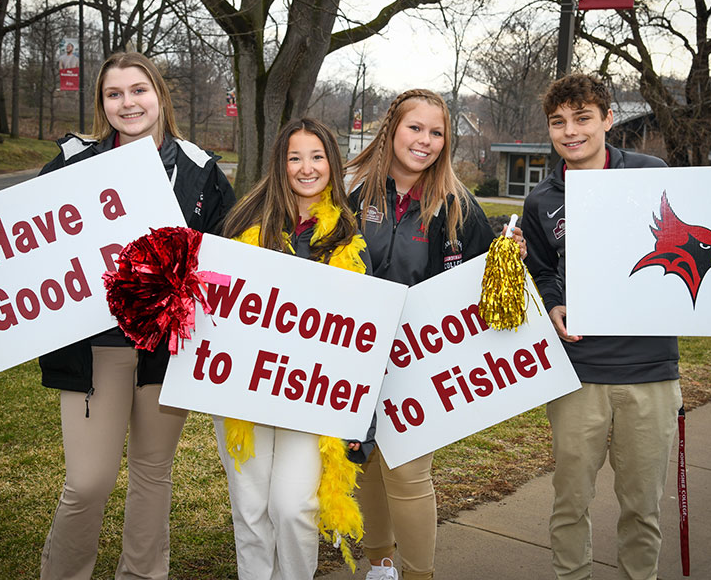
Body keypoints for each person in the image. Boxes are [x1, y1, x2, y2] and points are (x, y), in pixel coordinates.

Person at [0, 51, 236, 580]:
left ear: (160, 95)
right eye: (114, 94)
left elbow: (231, 261)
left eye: (138, 90)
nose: (128, 103)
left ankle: (143, 574)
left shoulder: (202, 173)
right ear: (103, 103)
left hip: (164, 351)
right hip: (92, 349)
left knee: (153, 473)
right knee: (88, 480)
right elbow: (23, 247)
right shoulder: (73, 165)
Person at [520, 73, 681, 580]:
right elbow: (543, 271)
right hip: (578, 373)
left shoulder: (650, 173)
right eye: (559, 122)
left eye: (583, 118)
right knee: (571, 501)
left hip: (650, 370)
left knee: (642, 507)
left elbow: (704, 228)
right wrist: (552, 305)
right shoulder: (541, 200)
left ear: (608, 119)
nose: (571, 131)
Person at [345, 89, 500, 580]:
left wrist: (505, 256)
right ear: (392, 128)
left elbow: (481, 285)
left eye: (437, 133)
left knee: (408, 472)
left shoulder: (459, 206)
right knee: (364, 462)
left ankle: (418, 574)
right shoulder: (350, 191)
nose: (425, 141)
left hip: (420, 360)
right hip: (355, 354)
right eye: (416, 128)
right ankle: (380, 564)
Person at [217, 116, 371, 580]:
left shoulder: (352, 232)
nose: (306, 168)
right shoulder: (247, 220)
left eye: (317, 156)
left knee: (292, 508)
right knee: (250, 509)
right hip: (248, 389)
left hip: (312, 396)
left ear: (333, 163)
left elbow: (367, 324)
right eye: (295, 157)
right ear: (279, 164)